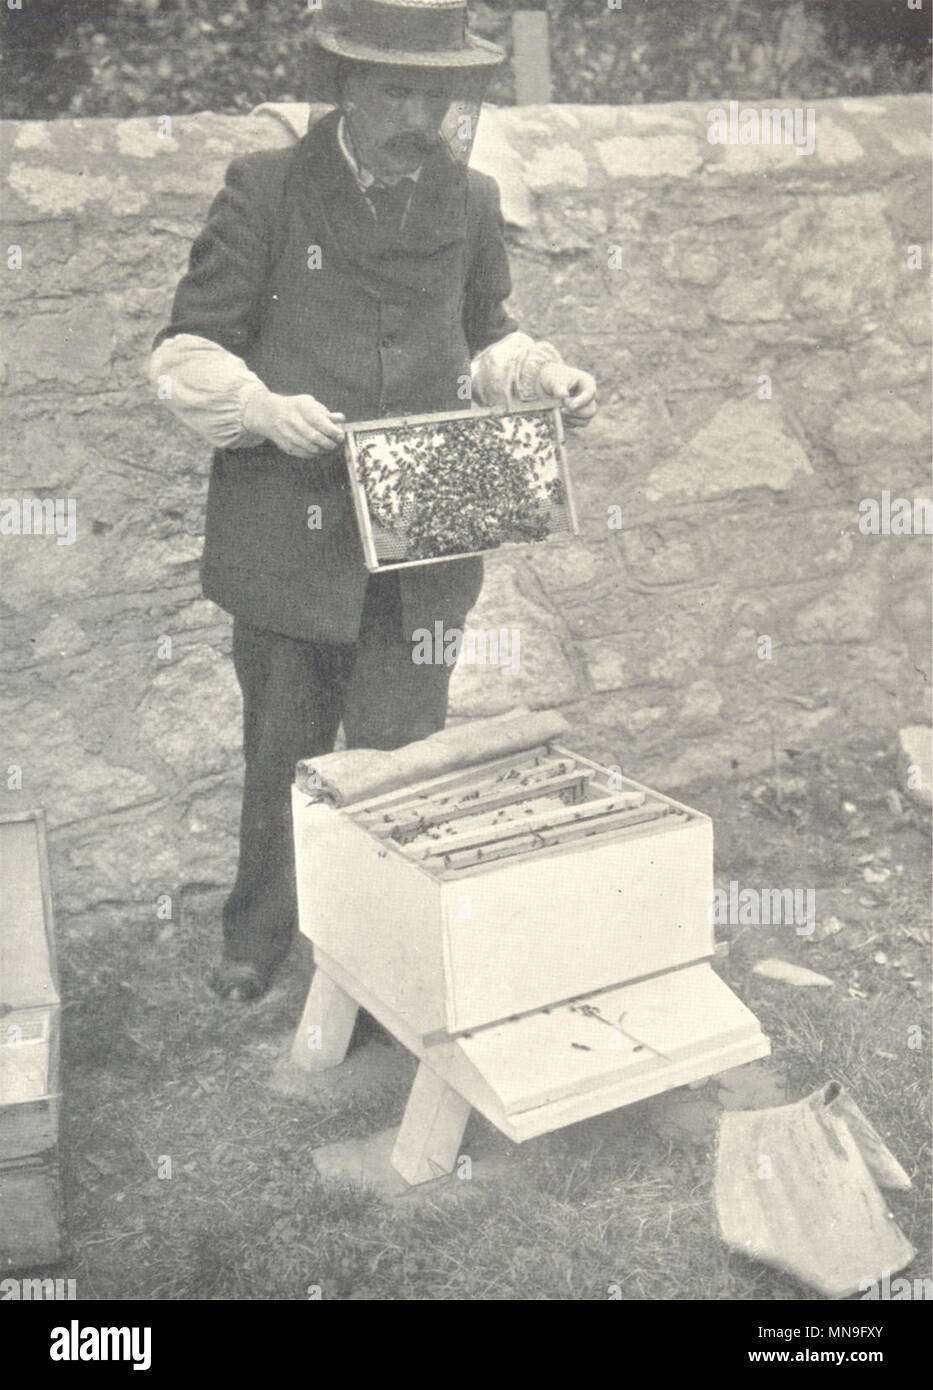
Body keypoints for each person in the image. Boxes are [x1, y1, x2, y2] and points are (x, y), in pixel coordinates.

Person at [149, 0, 598, 1002]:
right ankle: (259, 938)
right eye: (397, 87)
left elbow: (485, 338)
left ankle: (384, 963)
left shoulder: (470, 198)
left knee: (402, 759)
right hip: (287, 536)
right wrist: (261, 405)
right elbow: (185, 349)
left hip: (422, 540)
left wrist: (546, 378)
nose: (418, 112)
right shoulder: (266, 191)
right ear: (346, 84)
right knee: (284, 753)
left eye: (435, 91)